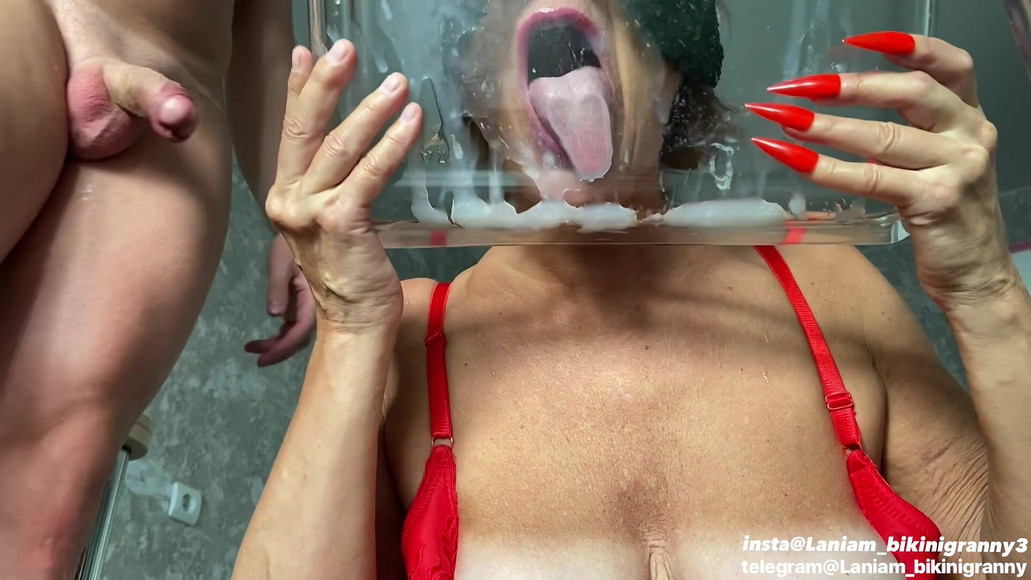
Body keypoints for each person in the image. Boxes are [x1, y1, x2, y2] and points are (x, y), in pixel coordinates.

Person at [234, 3, 1030, 578]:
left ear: (671, 75)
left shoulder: (831, 289)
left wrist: (987, 293)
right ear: (473, 90)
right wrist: (347, 325)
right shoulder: (399, 338)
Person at [0, 0, 314, 577]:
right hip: (29, 19)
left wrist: (296, 215)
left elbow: (266, 39)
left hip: (173, 87)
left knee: (44, 514)